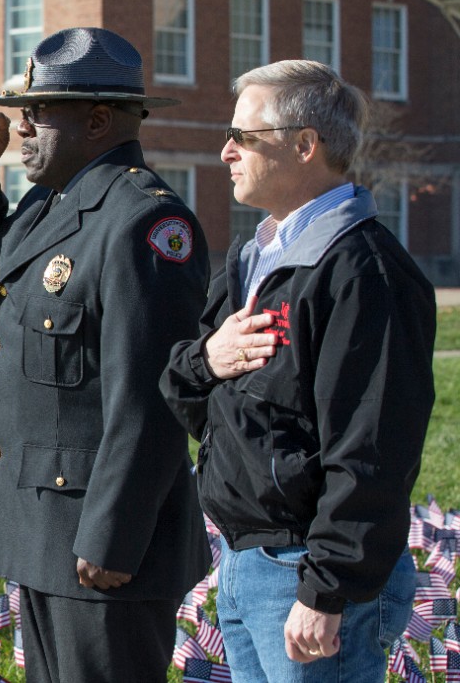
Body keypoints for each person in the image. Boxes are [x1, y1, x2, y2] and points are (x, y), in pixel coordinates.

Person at [0, 27, 211, 682]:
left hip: (105, 546)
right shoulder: (46, 207)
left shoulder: (144, 221)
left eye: (37, 113)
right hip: (49, 536)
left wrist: (113, 535)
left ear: (97, 118)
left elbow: (151, 398)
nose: (22, 128)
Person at [160, 60, 435, 683]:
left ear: (304, 145)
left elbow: (373, 447)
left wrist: (326, 590)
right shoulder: (255, 258)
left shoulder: (366, 274)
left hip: (305, 574)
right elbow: (182, 382)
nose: (227, 151)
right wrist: (210, 359)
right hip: (245, 559)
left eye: (244, 137)